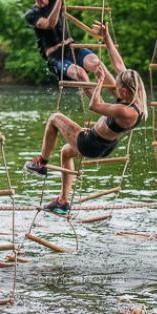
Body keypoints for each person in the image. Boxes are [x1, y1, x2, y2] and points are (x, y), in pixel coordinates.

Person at [23, 23, 147, 215]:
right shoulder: (134, 94)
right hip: (103, 143)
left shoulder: (128, 112)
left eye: (118, 86)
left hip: (91, 144)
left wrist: (99, 83)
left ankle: (41, 163)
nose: (115, 85)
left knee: (55, 118)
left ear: (124, 91)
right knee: (66, 152)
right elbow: (118, 64)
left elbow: (95, 106)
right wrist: (106, 38)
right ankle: (63, 202)